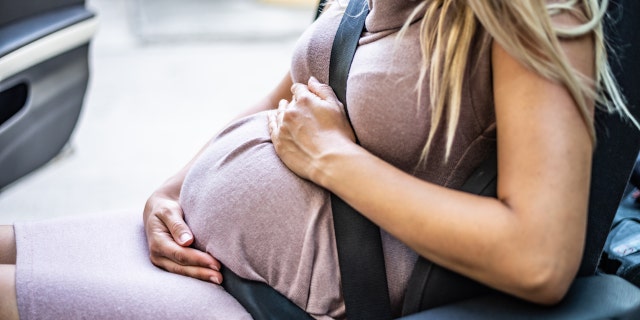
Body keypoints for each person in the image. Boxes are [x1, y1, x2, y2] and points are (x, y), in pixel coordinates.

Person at [0, 0, 634, 319]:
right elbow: (290, 94)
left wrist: (336, 160)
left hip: (280, 303)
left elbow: (539, 256)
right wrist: (172, 187)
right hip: (210, 257)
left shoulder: (536, 11)